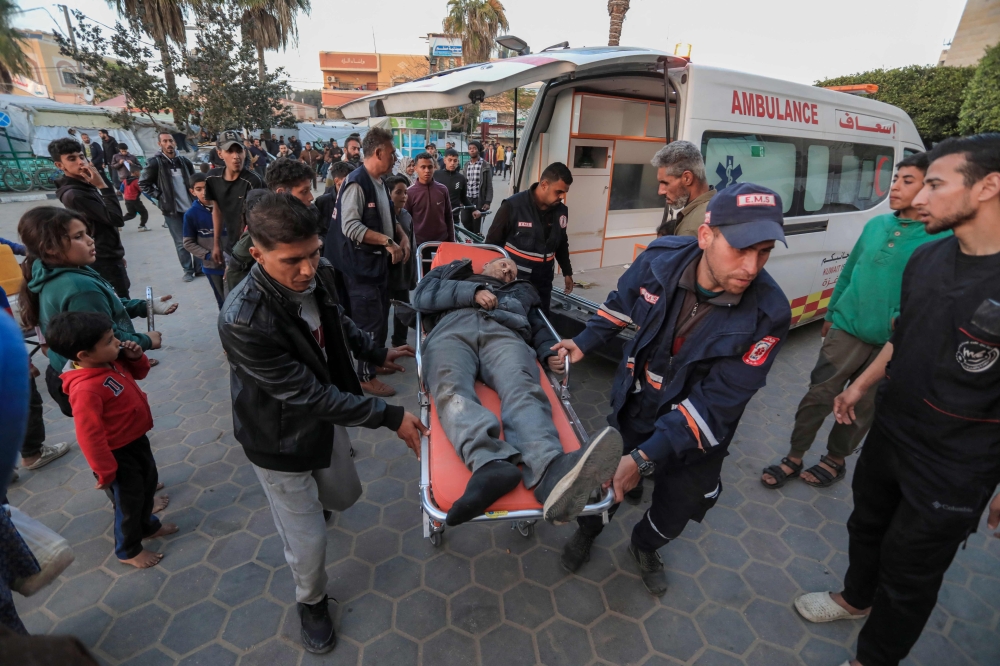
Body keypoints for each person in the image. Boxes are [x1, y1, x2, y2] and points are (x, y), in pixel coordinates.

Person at [794, 134, 1000, 666]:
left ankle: (873, 659)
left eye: (935, 183)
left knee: (911, 571)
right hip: (891, 433)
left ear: (988, 186)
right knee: (865, 524)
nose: (919, 197)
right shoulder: (928, 258)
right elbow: (903, 334)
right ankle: (854, 599)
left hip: (957, 464)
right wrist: (861, 385)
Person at [552, 183, 792, 596]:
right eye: (741, 248)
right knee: (604, 483)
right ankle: (589, 530)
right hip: (639, 406)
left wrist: (643, 458)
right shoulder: (660, 260)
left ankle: (645, 546)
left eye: (764, 251)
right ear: (705, 236)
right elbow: (619, 303)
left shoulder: (769, 314)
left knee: (678, 508)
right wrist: (584, 342)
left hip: (698, 435)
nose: (752, 267)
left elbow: (719, 403)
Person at [218, 191, 427, 655]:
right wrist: (390, 417)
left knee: (345, 495)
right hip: (279, 441)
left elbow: (337, 320)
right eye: (293, 260)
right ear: (257, 253)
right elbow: (306, 395)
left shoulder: (317, 274)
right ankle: (310, 601)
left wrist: (375, 350)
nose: (308, 269)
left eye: (314, 253)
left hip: (326, 420)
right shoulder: (242, 319)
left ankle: (317, 509)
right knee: (309, 542)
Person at [762, 152, 949, 490]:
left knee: (862, 405)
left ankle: (835, 459)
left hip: (890, 346)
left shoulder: (940, 239)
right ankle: (794, 454)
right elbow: (850, 271)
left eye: (908, 181)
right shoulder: (877, 225)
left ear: (929, 188)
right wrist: (832, 314)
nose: (895, 187)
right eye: (896, 179)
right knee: (818, 395)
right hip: (847, 329)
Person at [413, 254, 622, 525]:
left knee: (523, 385)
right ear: (484, 264)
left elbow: (538, 326)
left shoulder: (523, 291)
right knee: (450, 389)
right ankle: (489, 463)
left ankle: (550, 470)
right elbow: (421, 296)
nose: (508, 270)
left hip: (504, 332)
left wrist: (548, 352)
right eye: (502, 263)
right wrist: (472, 292)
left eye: (512, 270)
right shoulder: (453, 271)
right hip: (452, 327)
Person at [46, 311, 178, 568]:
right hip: (117, 454)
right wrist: (105, 471)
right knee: (128, 503)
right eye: (108, 341)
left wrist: (137, 357)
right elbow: (88, 436)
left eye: (113, 337)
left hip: (135, 440)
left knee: (148, 484)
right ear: (83, 355)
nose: (117, 342)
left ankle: (148, 526)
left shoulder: (109, 361)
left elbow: (138, 374)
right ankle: (128, 550)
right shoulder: (85, 389)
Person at [18, 207, 177, 410]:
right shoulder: (78, 288)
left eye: (86, 233)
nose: (90, 240)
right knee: (120, 432)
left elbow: (108, 305)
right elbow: (104, 334)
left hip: (71, 371)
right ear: (50, 247)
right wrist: (146, 340)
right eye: (78, 236)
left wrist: (144, 306)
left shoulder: (60, 269)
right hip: (91, 378)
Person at [326, 127, 411, 397]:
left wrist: (401, 235)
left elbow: (390, 218)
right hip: (359, 269)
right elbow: (350, 227)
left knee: (378, 318)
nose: (395, 156)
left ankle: (375, 359)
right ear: (378, 152)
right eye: (392, 152)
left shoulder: (379, 182)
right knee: (368, 323)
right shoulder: (356, 183)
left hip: (376, 267)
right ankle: (364, 376)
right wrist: (388, 243)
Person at [486, 162, 574, 314]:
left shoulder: (561, 212)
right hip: (516, 283)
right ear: (544, 184)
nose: (561, 197)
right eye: (558, 192)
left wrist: (567, 272)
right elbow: (492, 246)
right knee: (517, 323)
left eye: (564, 193)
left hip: (544, 283)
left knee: (542, 321)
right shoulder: (513, 207)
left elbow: (561, 243)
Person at [50, 138, 130, 298]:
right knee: (120, 310)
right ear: (60, 165)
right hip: (101, 259)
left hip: (109, 256)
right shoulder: (75, 194)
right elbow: (116, 219)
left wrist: (117, 255)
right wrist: (103, 187)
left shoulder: (83, 185)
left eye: (81, 156)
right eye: (72, 159)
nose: (80, 162)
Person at [225, 157, 316, 293]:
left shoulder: (309, 215)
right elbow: (236, 268)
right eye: (304, 191)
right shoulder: (264, 226)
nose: (311, 197)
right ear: (282, 193)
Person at [139, 131, 200, 280]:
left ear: (175, 143)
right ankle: (188, 271)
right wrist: (160, 197)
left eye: (171, 141)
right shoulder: (155, 163)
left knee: (198, 238)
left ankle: (199, 269)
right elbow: (143, 183)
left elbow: (194, 181)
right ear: (160, 144)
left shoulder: (184, 162)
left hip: (191, 208)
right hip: (172, 211)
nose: (169, 144)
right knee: (182, 242)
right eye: (165, 141)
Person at [207, 131, 265, 267]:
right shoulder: (212, 178)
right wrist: (216, 244)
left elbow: (259, 221)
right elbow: (217, 211)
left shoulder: (254, 181)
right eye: (230, 151)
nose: (236, 156)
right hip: (230, 246)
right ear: (220, 153)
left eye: (239, 151)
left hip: (253, 249)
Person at [651, 141, 715, 238]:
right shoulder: (719, 204)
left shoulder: (690, 228)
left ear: (687, 178)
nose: (660, 191)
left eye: (665, 183)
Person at [182, 174, 226, 308]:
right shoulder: (191, 214)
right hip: (212, 267)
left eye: (206, 188)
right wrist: (208, 255)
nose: (204, 192)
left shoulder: (226, 208)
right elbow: (188, 242)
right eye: (199, 189)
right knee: (223, 301)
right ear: (192, 192)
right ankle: (226, 327)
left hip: (235, 264)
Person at [387, 175, 415, 348]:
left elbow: (412, 243)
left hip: (403, 271)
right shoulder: (383, 216)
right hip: (386, 272)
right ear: (388, 194)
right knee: (382, 310)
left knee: (403, 307)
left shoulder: (406, 216)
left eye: (405, 192)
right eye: (398, 192)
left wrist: (412, 273)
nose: (403, 196)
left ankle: (400, 341)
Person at [405, 152, 453, 250]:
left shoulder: (442, 190)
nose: (427, 170)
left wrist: (452, 241)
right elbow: (406, 222)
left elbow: (448, 216)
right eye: (423, 167)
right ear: (416, 169)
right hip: (419, 245)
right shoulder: (409, 192)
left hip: (442, 242)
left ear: (434, 167)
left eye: (430, 167)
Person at [434, 148, 472, 228]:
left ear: (458, 162)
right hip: (437, 218)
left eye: (455, 161)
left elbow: (463, 198)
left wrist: (474, 209)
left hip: (454, 219)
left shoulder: (461, 178)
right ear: (444, 160)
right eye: (450, 160)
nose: (452, 163)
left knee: (452, 240)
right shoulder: (435, 175)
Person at [463, 141, 494, 235]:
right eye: (470, 148)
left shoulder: (485, 165)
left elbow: (489, 184)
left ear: (478, 150)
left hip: (479, 199)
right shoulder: (466, 165)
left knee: (477, 223)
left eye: (474, 148)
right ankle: (475, 236)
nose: (472, 150)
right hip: (467, 199)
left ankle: (475, 241)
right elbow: (464, 183)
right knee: (464, 221)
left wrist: (488, 201)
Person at [121, 164, 149, 231]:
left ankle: (117, 223)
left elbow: (121, 189)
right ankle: (142, 226)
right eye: (139, 172)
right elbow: (142, 190)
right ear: (136, 172)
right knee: (144, 213)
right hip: (135, 200)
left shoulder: (125, 180)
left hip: (127, 200)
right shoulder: (137, 181)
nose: (140, 173)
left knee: (131, 214)